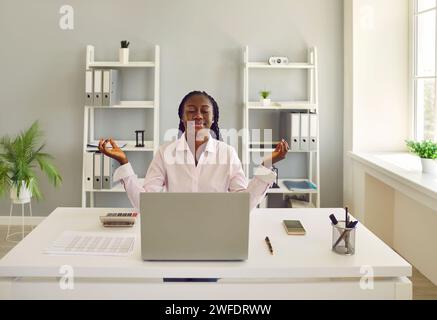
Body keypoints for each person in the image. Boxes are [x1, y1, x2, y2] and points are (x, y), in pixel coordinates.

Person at [98, 90, 289, 212]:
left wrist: (267, 164)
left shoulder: (227, 153)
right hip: (174, 235)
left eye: (205, 111)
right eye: (191, 110)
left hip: (216, 235)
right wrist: (124, 163)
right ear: (182, 118)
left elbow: (243, 204)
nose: (198, 115)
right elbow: (146, 204)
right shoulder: (166, 153)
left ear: (213, 118)